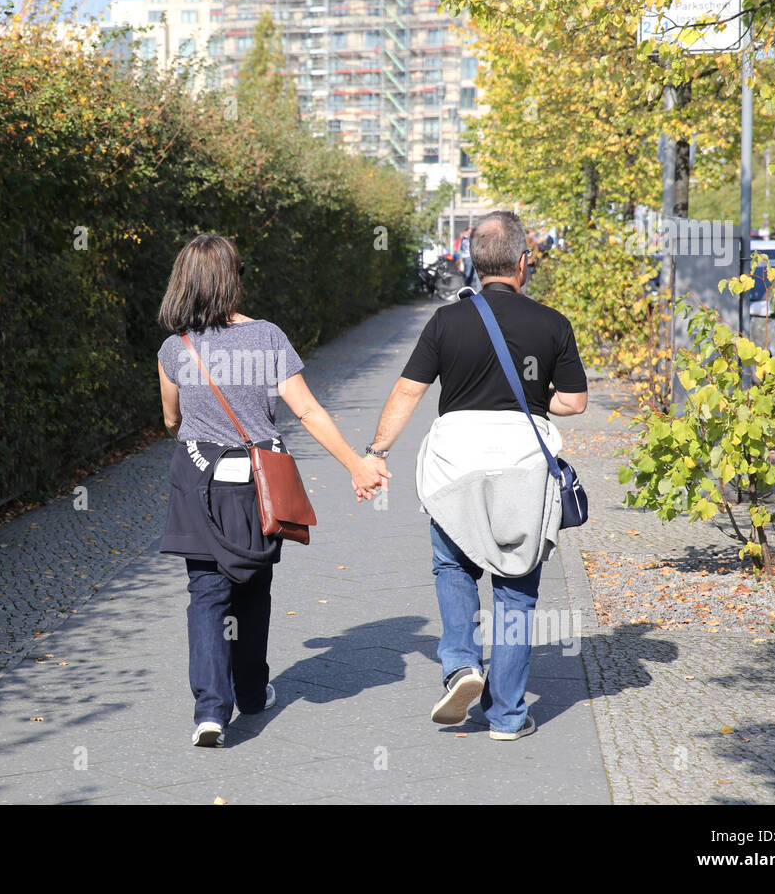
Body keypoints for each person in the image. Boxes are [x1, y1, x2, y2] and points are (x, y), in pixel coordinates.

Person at [361, 211, 587, 740]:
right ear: (523, 262)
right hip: (522, 467)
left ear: (474, 262)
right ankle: (507, 716)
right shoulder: (552, 323)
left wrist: (375, 452)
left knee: (453, 565)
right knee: (515, 588)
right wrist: (535, 399)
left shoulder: (446, 321)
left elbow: (408, 391)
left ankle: (461, 663)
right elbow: (574, 402)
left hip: (455, 465)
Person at [156, 233, 389, 748]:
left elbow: (172, 419)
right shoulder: (267, 337)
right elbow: (306, 410)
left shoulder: (174, 348)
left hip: (198, 481)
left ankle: (210, 713)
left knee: (206, 593)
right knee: (253, 589)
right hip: (256, 482)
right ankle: (252, 692)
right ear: (232, 280)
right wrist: (356, 464)